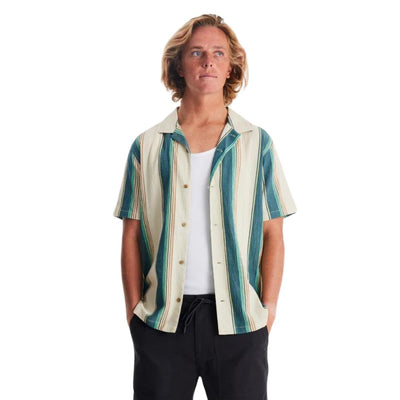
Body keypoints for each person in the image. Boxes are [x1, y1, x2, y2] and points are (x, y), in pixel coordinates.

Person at [113, 14, 297, 400]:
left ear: (231, 67)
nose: (208, 61)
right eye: (196, 52)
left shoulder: (256, 143)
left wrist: (268, 310)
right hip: (162, 323)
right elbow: (131, 235)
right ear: (179, 65)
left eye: (218, 53)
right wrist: (134, 314)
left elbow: (273, 232)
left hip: (240, 324)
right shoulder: (147, 145)